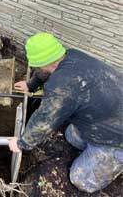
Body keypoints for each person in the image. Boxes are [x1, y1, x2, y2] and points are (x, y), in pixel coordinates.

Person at [9, 32, 123, 193]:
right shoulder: (72, 56)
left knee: (81, 181)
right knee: (71, 135)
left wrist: (21, 143)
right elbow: (45, 70)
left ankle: (114, 161)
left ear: (42, 63)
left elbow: (44, 120)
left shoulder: (62, 89)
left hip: (116, 138)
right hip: (109, 111)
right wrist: (31, 85)